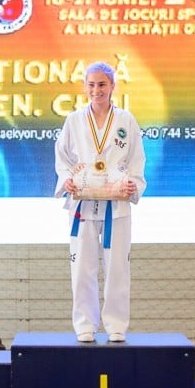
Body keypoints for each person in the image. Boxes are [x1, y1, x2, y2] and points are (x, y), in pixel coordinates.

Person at [54, 62, 146, 343]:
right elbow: (63, 159)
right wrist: (67, 181)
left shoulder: (126, 120)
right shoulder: (73, 120)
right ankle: (85, 324)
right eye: (91, 85)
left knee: (118, 267)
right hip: (82, 205)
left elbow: (136, 159)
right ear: (85, 88)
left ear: (113, 87)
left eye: (102, 85)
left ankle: (116, 324)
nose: (97, 90)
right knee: (82, 267)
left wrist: (133, 184)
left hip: (116, 206)